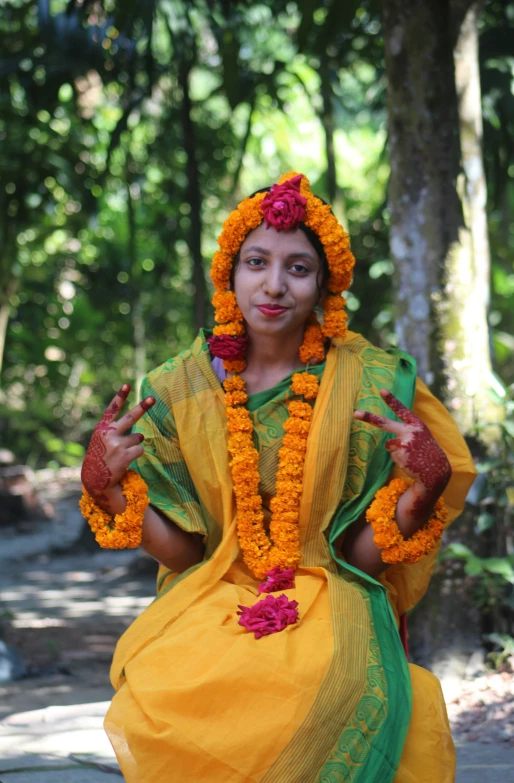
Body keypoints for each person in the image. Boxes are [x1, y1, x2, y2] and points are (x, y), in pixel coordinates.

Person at [80, 172, 476, 783]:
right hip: (211, 589)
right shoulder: (175, 390)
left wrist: (422, 493)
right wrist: (107, 490)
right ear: (228, 276)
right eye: (257, 262)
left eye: (297, 268)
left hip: (334, 585)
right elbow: (188, 555)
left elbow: (360, 559)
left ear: (324, 285)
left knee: (320, 680)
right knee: (164, 689)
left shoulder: (372, 384)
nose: (273, 285)